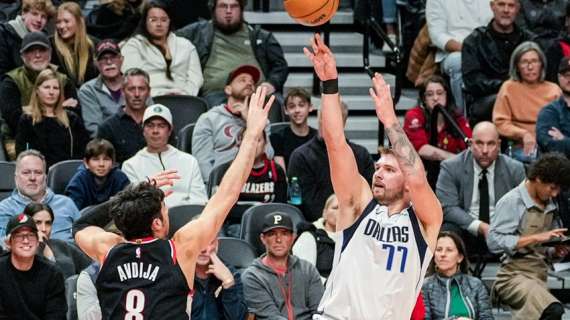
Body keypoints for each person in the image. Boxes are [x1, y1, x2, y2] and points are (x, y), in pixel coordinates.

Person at [73, 86, 275, 319]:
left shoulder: (108, 249)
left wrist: (132, 192)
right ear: (157, 223)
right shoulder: (178, 250)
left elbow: (80, 225)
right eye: (165, 210)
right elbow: (227, 195)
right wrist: (251, 135)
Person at [304, 34, 443, 319]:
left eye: (389, 170)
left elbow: (417, 177)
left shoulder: (426, 222)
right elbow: (334, 142)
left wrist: (391, 121)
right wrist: (329, 83)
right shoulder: (359, 206)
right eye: (378, 167)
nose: (378, 173)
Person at [487, 152, 570, 320]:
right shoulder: (512, 201)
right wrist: (536, 237)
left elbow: (545, 247)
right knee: (552, 310)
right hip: (512, 276)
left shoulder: (551, 204)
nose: (555, 194)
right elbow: (493, 241)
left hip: (539, 274)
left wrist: (555, 251)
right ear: (538, 179)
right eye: (552, 188)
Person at [176, 0, 288, 107]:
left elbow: (281, 66)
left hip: (254, 93)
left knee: (275, 102)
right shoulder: (197, 32)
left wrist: (271, 83)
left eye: (234, 6)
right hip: (214, 96)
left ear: (241, 9)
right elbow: (169, 39)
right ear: (213, 9)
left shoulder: (261, 36)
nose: (228, 11)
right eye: (223, 6)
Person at [436, 121, 526, 255]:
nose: (485, 150)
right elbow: (447, 207)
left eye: (491, 144)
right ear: (471, 144)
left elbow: (523, 205)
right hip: (467, 230)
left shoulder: (515, 169)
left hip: (503, 232)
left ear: (499, 145)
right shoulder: (451, 167)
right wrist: (481, 227)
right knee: (448, 229)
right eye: (479, 143)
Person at [288, 101, 375, 222]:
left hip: (357, 224)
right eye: (326, 119)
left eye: (336, 120)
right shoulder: (301, 157)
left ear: (344, 122)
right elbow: (306, 205)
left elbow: (370, 198)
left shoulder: (361, 155)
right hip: (317, 227)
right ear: (319, 118)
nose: (329, 125)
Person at [0, 31, 78, 156]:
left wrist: (28, 110)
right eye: (31, 50)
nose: (37, 55)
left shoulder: (63, 80)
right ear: (22, 56)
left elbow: (75, 116)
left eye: (42, 50)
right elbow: (14, 118)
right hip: (20, 140)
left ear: (50, 54)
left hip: (60, 138)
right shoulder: (11, 81)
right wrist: (56, 109)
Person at [193, 64, 273, 182]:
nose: (249, 83)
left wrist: (250, 121)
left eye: (252, 82)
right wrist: (215, 189)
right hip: (222, 183)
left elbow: (268, 155)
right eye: (242, 80)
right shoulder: (209, 119)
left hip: (256, 184)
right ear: (228, 89)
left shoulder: (262, 121)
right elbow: (202, 162)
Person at [122, 103, 208, 207]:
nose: (155, 131)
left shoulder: (189, 161)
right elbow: (133, 206)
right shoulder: (130, 166)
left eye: (161, 126)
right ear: (143, 130)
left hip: (186, 218)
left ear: (169, 130)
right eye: (150, 125)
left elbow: (200, 200)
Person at [242, 212, 324, 319]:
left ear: (293, 237)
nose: (278, 240)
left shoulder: (307, 269)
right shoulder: (252, 276)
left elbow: (319, 310)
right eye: (272, 234)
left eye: (284, 233)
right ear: (263, 238)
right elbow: (271, 317)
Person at [462, 0, 532, 125]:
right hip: (486, 101)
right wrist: (506, 86)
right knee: (505, 99)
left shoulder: (528, 40)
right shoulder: (474, 41)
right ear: (492, 6)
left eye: (511, 5)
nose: (506, 10)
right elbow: (473, 82)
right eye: (501, 4)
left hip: (525, 96)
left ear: (518, 9)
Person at [493, 41, 561, 163]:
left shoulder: (553, 89)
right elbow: (500, 123)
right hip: (521, 146)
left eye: (534, 61)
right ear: (517, 66)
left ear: (542, 64)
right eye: (524, 62)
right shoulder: (509, 87)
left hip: (549, 144)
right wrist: (523, 134)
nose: (530, 67)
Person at [121, 1, 202, 97]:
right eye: (153, 20)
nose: (159, 24)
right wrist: (159, 94)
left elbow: (196, 78)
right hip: (149, 98)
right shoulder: (134, 45)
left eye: (164, 20)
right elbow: (133, 79)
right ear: (145, 22)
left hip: (184, 97)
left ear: (169, 21)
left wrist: (186, 94)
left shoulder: (186, 45)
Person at [403, 75, 472, 188]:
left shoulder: (457, 118)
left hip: (451, 174)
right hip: (422, 174)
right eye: (430, 94)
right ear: (424, 99)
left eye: (440, 93)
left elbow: (469, 146)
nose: (435, 98)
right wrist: (455, 159)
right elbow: (422, 149)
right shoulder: (414, 115)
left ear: (447, 95)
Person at [15, 67, 90, 168]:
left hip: (69, 173)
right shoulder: (27, 120)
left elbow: (83, 150)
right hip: (38, 174)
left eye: (55, 88)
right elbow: (21, 154)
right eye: (46, 87)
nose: (51, 92)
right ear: (37, 90)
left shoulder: (72, 119)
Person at [425, 0, 492, 112]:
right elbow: (437, 35)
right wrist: (469, 50)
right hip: (453, 52)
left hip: (488, 49)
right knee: (459, 62)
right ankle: (460, 118)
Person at [0, 150, 80, 240]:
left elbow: (84, 235)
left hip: (68, 253)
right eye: (26, 173)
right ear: (16, 178)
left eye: (38, 172)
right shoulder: (4, 209)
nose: (32, 178)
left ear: (45, 177)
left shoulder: (66, 203)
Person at [0, 213, 66, 319]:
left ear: (37, 241)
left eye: (31, 235)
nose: (26, 241)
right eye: (19, 236)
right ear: (9, 242)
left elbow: (56, 315)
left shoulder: (52, 273)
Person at [422, 231, 494, 320]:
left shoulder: (475, 284)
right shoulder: (425, 286)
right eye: (439, 249)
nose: (443, 254)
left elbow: (487, 318)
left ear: (460, 257)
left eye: (449, 250)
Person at [210, 130, 287, 203]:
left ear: (265, 144)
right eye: (248, 140)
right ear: (240, 144)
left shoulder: (277, 170)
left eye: (258, 140)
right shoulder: (223, 171)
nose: (253, 145)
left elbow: (280, 207)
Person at [97, 67, 151, 163]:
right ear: (122, 91)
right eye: (131, 89)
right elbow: (103, 165)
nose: (137, 94)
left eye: (141, 89)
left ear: (149, 92)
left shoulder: (160, 123)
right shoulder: (108, 127)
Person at [25, 202, 92, 278]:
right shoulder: (21, 252)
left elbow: (92, 269)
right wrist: (39, 245)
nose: (43, 229)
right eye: (38, 222)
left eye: (48, 223)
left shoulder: (62, 245)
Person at [64, 138, 130, 210]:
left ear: (113, 163)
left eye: (106, 159)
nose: (101, 164)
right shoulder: (79, 181)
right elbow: (72, 212)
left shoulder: (120, 178)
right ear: (86, 163)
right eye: (95, 159)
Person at [79, 39, 126, 137]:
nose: (109, 62)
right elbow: (94, 130)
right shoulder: (88, 90)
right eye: (103, 58)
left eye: (113, 57)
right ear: (96, 63)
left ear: (121, 59)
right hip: (106, 146)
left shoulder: (136, 85)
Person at [191, 237, 247, 320]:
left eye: (209, 242)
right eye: (198, 242)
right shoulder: (176, 273)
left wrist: (228, 283)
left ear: (216, 244)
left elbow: (238, 318)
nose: (203, 249)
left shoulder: (231, 273)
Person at [0, 0, 55, 76]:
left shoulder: (46, 40)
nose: (39, 20)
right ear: (23, 14)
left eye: (43, 17)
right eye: (34, 14)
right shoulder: (4, 34)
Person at [51, 2, 97, 88]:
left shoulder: (93, 45)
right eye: (58, 22)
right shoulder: (51, 46)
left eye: (66, 21)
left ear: (79, 21)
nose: (61, 26)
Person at [292, 193, 337, 281]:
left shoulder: (355, 238)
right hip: (320, 290)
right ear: (324, 213)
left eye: (344, 209)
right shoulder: (309, 236)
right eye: (335, 208)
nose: (340, 212)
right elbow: (305, 275)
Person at [270, 87, 317, 170]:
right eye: (292, 106)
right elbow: (282, 175)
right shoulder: (277, 137)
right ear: (285, 110)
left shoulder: (317, 137)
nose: (297, 110)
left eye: (301, 105)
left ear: (310, 107)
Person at [537, 56, 570, 157]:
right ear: (559, 77)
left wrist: (563, 140)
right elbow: (549, 146)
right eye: (567, 75)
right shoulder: (549, 112)